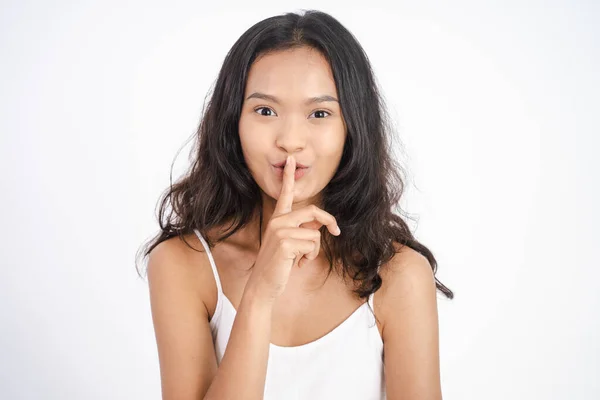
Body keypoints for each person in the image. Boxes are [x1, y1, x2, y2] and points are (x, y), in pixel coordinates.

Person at [137, 9, 454, 400]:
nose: (290, 140)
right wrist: (258, 296)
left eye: (319, 113)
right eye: (264, 110)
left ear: (351, 128)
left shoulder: (399, 274)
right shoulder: (183, 263)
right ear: (233, 121)